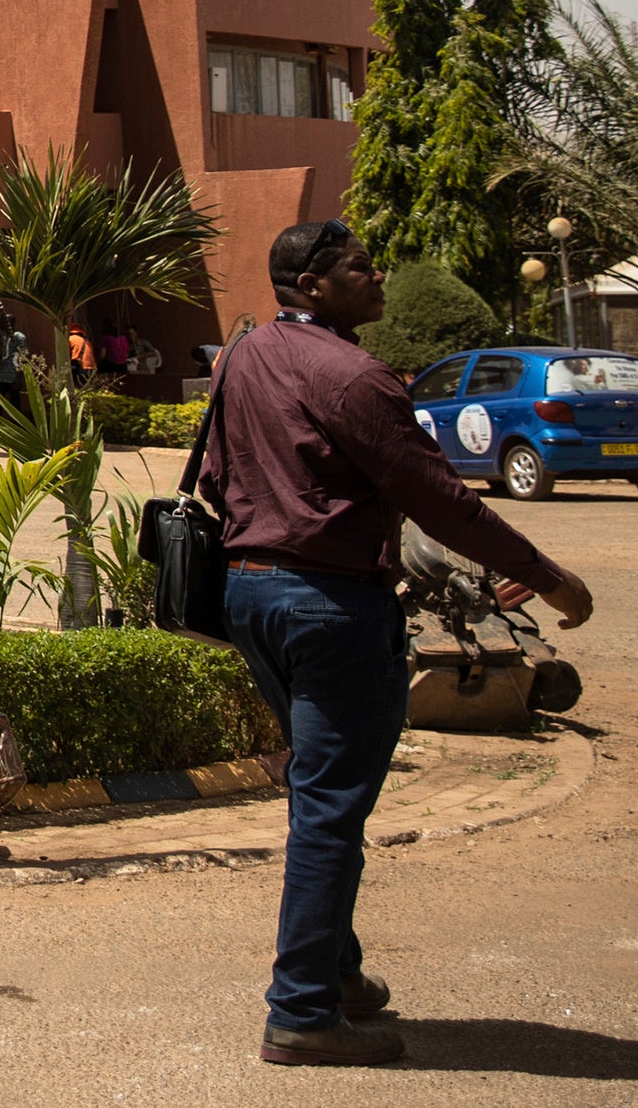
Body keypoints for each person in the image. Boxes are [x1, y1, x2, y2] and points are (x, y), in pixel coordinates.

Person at [202, 217, 594, 1067]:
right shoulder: (354, 375)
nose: (376, 277)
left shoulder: (241, 356)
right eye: (358, 268)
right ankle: (301, 1011)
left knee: (318, 791)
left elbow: (211, 474)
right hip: (329, 604)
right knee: (330, 807)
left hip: (249, 596)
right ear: (312, 285)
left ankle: (333, 975)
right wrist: (551, 577)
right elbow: (440, 498)